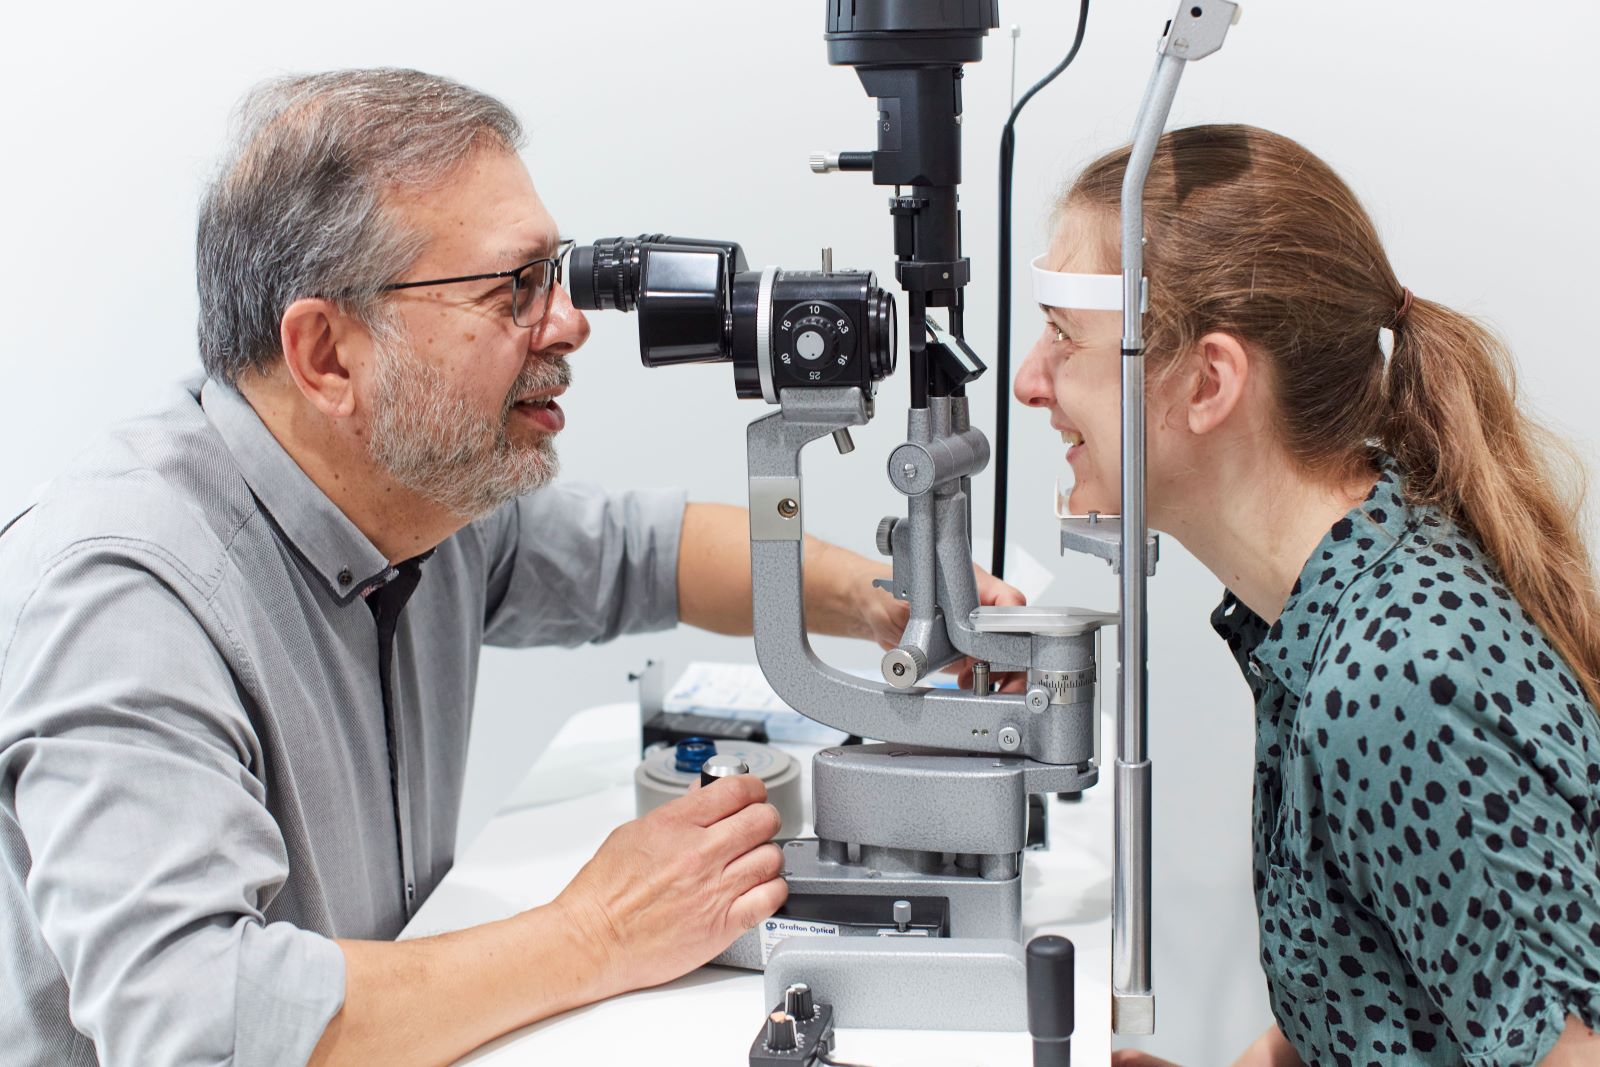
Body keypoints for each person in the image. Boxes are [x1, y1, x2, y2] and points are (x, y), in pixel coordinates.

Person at [0, 69, 1022, 1066]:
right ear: (325, 353)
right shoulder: (127, 594)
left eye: (558, 276)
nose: (569, 325)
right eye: (513, 289)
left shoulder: (415, 497)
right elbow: (196, 1026)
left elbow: (647, 551)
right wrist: (593, 933)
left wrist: (889, 605)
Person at [1014, 124, 1600, 1066]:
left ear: (1208, 381)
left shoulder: (1401, 683)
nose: (1028, 383)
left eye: (1062, 336)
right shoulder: (1323, 623)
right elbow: (1380, 998)